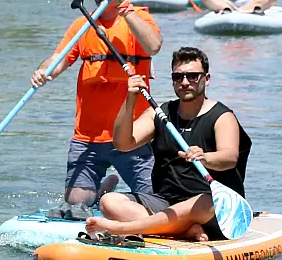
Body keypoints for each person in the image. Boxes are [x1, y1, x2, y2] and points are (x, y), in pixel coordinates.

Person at [30, 0, 163, 213]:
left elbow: (154, 45)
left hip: (132, 135)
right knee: (74, 205)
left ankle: (113, 193)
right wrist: (42, 71)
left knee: (153, 203)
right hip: (88, 136)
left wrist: (125, 6)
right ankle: (102, 189)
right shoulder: (82, 24)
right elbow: (59, 59)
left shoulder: (139, 19)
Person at [86, 47, 250, 241]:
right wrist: (130, 99)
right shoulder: (161, 113)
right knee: (109, 201)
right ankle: (183, 231)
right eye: (178, 77)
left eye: (193, 76)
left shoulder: (222, 117)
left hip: (212, 206)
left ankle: (122, 229)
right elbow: (122, 143)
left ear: (206, 79)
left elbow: (229, 158)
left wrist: (205, 157)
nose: (185, 82)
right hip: (166, 202)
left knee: (203, 203)